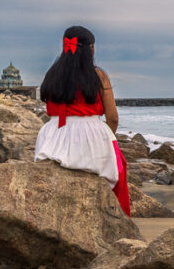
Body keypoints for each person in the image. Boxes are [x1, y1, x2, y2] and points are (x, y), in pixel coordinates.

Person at [34, 25, 130, 216]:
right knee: (120, 168)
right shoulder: (98, 76)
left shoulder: (52, 75)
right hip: (90, 136)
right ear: (91, 49)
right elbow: (112, 117)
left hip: (53, 134)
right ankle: (118, 216)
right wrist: (107, 140)